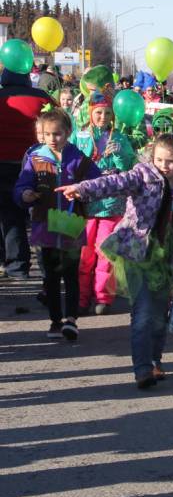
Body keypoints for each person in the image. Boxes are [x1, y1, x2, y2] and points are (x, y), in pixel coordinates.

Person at [56, 133, 173, 389]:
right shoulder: (142, 175)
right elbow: (113, 183)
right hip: (138, 250)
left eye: (170, 161)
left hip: (168, 256)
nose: (163, 166)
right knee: (143, 312)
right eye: (159, 159)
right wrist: (82, 189)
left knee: (159, 315)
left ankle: (155, 360)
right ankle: (142, 369)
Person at [15, 109, 100, 340]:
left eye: (58, 134)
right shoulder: (36, 158)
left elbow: (96, 180)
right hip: (45, 224)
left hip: (71, 224)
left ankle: (71, 319)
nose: (53, 138)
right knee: (51, 276)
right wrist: (25, 194)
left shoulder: (78, 158)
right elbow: (21, 185)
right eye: (48, 134)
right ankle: (54, 320)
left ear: (68, 132)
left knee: (71, 274)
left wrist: (83, 190)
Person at [71, 93, 136, 315]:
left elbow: (128, 168)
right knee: (84, 253)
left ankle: (103, 296)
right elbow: (74, 163)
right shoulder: (79, 137)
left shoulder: (119, 138)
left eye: (108, 113)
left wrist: (118, 156)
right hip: (86, 204)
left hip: (112, 204)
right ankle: (81, 297)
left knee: (105, 253)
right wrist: (92, 154)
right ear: (90, 113)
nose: (103, 117)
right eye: (98, 112)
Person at [1, 67, 53, 279]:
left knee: (10, 215)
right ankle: (47, 268)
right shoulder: (42, 98)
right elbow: (58, 120)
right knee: (38, 215)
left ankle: (17, 267)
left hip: (3, 162)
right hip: (37, 162)